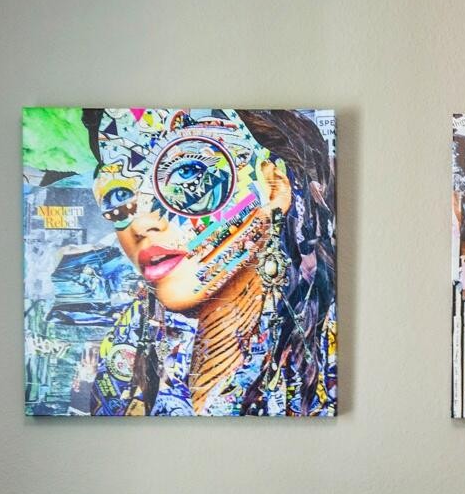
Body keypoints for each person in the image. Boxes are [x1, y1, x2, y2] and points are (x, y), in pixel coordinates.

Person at [72, 108, 336, 416]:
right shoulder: (129, 347)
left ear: (274, 186)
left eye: (186, 173)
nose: (140, 224)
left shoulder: (326, 353)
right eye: (119, 194)